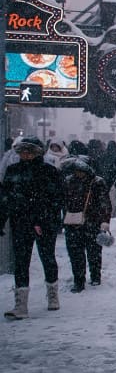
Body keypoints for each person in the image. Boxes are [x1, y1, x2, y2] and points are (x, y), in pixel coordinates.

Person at [1, 137, 66, 320]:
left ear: (38, 152)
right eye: (23, 151)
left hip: (43, 224)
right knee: (21, 262)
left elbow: (56, 199)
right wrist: (2, 219)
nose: (26, 154)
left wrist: (45, 220)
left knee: (47, 257)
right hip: (20, 222)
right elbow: (5, 198)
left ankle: (52, 295)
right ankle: (21, 304)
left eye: (29, 151)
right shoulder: (13, 171)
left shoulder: (48, 171)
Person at [62, 157, 112, 291]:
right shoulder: (68, 181)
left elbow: (104, 203)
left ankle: (95, 275)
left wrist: (104, 220)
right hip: (74, 221)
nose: (79, 173)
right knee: (76, 253)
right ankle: (79, 280)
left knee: (93, 251)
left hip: (91, 221)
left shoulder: (96, 182)